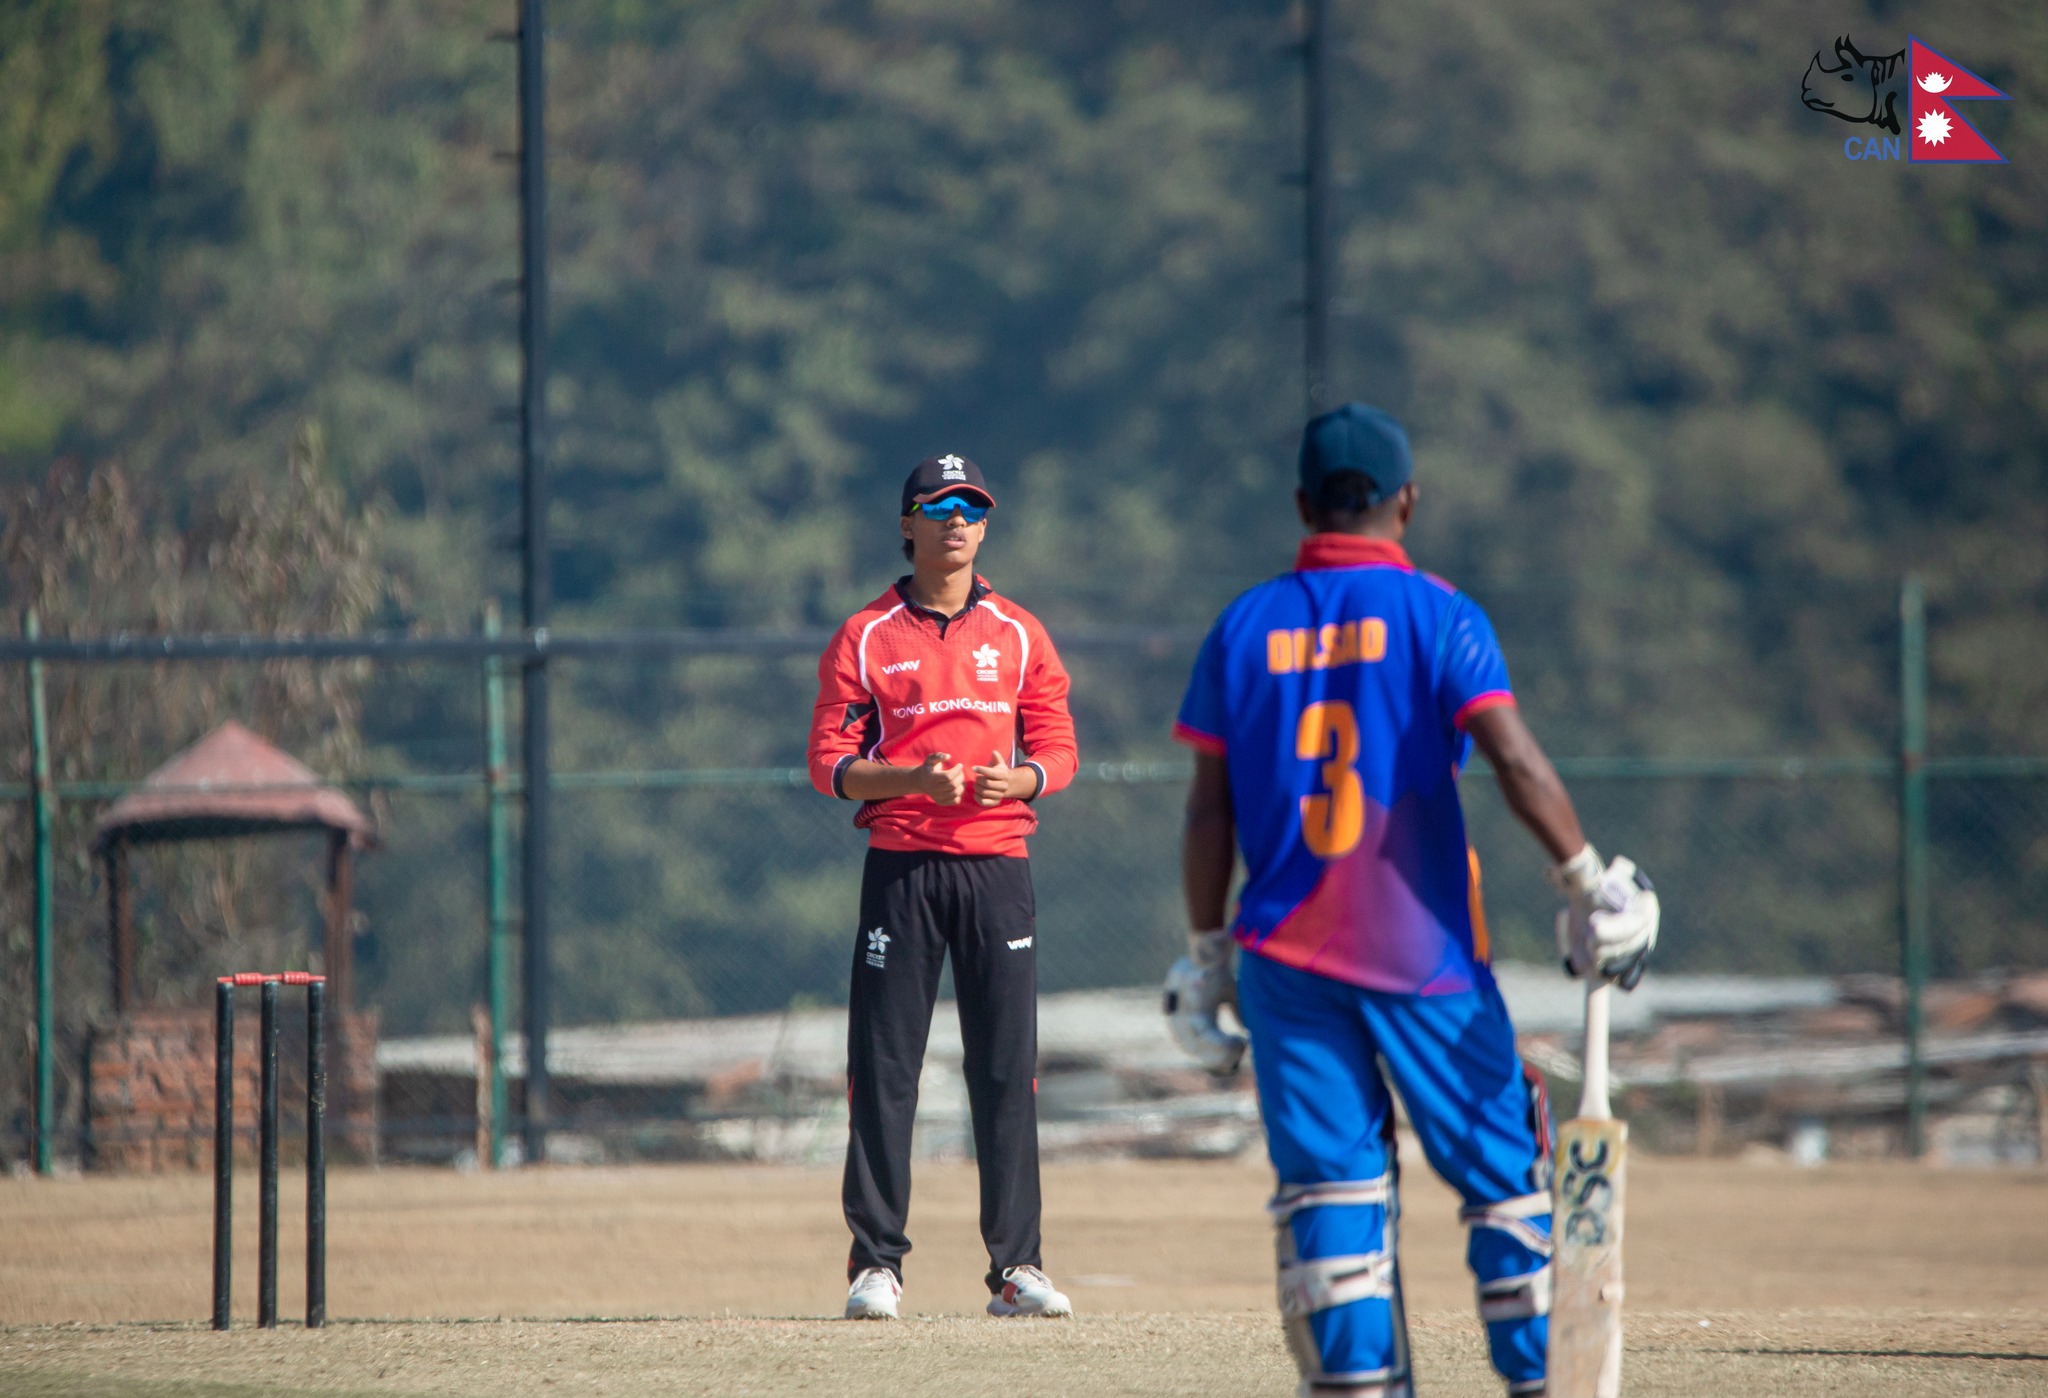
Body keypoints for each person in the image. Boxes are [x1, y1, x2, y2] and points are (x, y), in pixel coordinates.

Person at [1162, 404, 1659, 1397]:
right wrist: (1584, 880)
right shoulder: (1439, 614)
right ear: (1407, 502)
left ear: (1302, 504)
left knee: (1330, 1202)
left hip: (1282, 962)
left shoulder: (1241, 626)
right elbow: (1512, 758)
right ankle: (1538, 1382)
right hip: (1417, 953)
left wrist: (1206, 951)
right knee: (1506, 1185)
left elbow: (1208, 815)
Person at [807, 452, 1080, 1322]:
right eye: (939, 505)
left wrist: (1026, 783)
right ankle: (877, 1266)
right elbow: (831, 767)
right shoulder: (865, 634)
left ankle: (1017, 1270)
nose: (957, 519)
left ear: (986, 525)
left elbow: (1060, 747)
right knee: (885, 1069)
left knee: (1005, 1072)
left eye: (972, 507)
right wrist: (910, 782)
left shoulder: (1020, 632)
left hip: (999, 868)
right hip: (905, 870)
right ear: (907, 523)